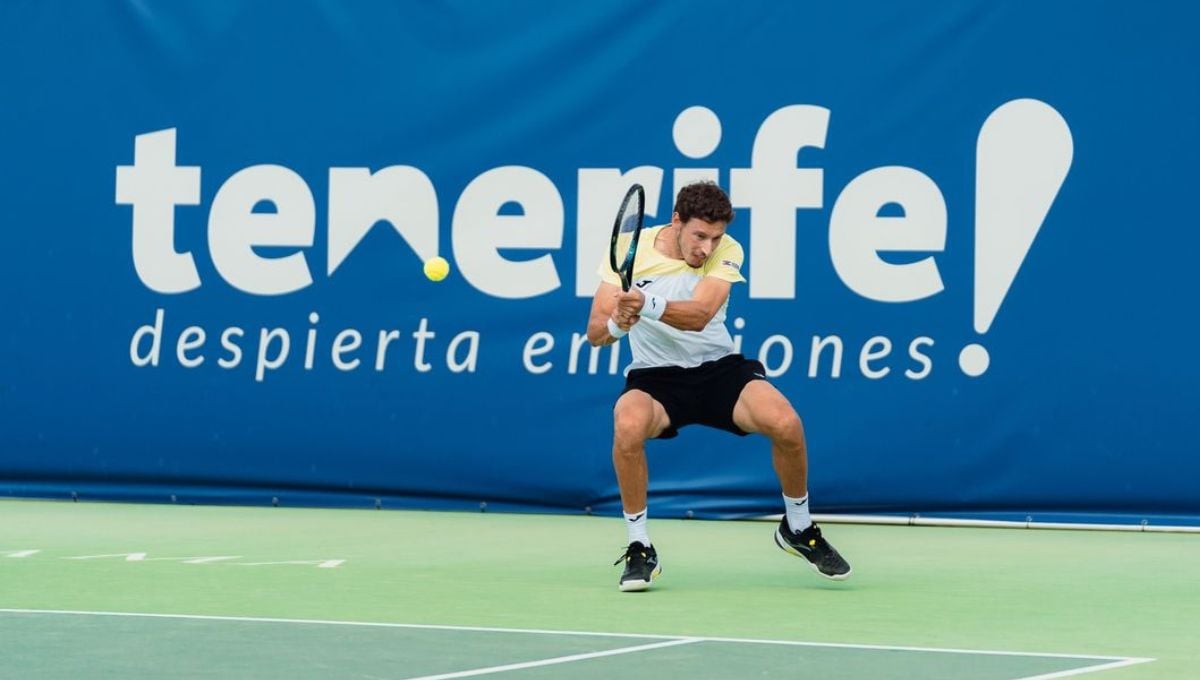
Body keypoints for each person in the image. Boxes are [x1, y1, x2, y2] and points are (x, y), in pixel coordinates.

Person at [587, 180, 851, 592]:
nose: (707, 247)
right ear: (677, 221)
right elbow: (594, 334)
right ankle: (639, 545)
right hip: (656, 377)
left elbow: (700, 315)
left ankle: (798, 527)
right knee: (627, 424)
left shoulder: (727, 252)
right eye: (699, 236)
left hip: (719, 371)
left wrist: (646, 304)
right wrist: (617, 325)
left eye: (715, 237)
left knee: (786, 422)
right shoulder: (628, 251)